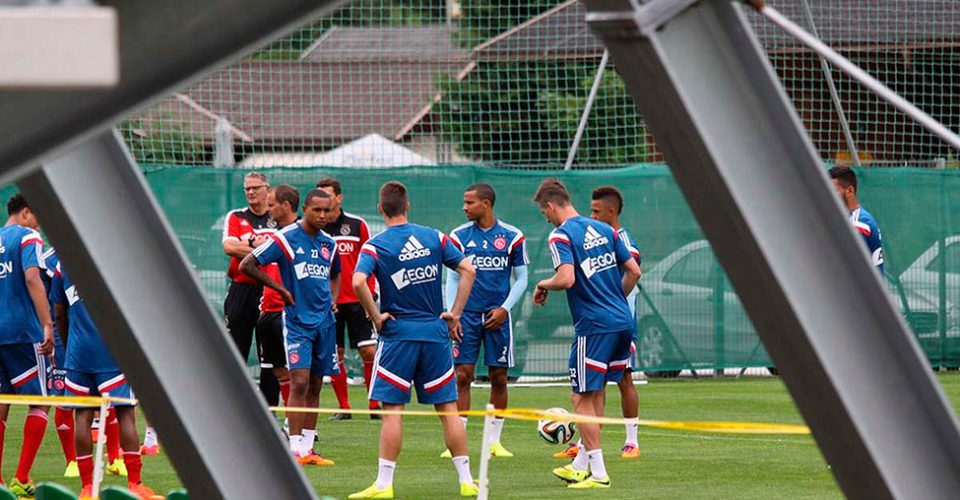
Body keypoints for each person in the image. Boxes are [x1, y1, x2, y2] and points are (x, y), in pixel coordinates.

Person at [349, 181, 479, 499]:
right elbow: (469, 270)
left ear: (381, 209)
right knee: (448, 409)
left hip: (399, 336)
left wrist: (376, 316)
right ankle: (466, 480)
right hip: (435, 333)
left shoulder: (375, 245)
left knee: (393, 411)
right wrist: (456, 313)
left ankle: (384, 485)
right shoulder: (434, 236)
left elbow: (357, 281)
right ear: (408, 206)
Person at [532, 179, 641, 489]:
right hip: (622, 322)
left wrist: (542, 285)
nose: (547, 219)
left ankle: (600, 474)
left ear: (551, 206)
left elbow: (566, 278)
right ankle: (580, 464)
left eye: (545, 213)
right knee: (594, 394)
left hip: (594, 327)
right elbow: (634, 271)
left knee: (580, 397)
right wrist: (614, 300)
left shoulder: (561, 235)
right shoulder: (607, 230)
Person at [241, 189, 340, 467]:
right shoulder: (285, 239)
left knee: (317, 384)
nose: (322, 216)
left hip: (325, 322)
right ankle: (294, 448)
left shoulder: (329, 244)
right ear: (304, 209)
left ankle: (309, 449)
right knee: (299, 381)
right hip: (297, 322)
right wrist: (279, 289)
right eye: (316, 210)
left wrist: (333, 299)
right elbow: (249, 264)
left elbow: (336, 274)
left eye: (327, 211)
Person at [50, 261, 162, 500]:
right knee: (125, 412)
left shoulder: (64, 262)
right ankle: (135, 485)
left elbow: (59, 311)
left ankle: (87, 488)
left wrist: (71, 343)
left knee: (82, 415)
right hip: (111, 349)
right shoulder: (111, 254)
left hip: (78, 352)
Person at [442, 183, 528, 458]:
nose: (464, 207)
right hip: (466, 316)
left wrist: (504, 309)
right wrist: (453, 313)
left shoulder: (512, 236)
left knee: (499, 377)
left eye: (469, 203)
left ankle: (494, 442)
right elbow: (453, 277)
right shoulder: (457, 236)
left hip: (497, 316)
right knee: (462, 375)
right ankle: (459, 441)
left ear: (486, 204)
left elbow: (522, 278)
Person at [0, 194, 55, 498]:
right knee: (40, 402)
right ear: (25, 212)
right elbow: (33, 279)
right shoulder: (27, 237)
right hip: (22, 332)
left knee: (1, 403)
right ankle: (21, 478)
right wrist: (47, 324)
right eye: (39, 217)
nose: (41, 226)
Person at [316, 178, 381, 420]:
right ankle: (344, 408)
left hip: (357, 300)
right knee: (335, 355)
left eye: (328, 195)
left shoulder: (357, 225)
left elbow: (372, 262)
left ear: (339, 197)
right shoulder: (315, 229)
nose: (324, 200)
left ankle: (374, 406)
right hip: (329, 302)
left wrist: (371, 296)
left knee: (368, 352)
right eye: (319, 195)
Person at [586, 186, 643, 460]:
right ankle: (589, 443)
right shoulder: (599, 239)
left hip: (620, 322)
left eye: (596, 211)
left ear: (611, 212)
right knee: (593, 382)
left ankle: (632, 442)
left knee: (624, 378)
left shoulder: (624, 242)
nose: (591, 216)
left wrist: (610, 300)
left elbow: (632, 275)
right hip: (601, 322)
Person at [221, 172, 280, 405]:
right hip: (242, 289)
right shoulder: (236, 217)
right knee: (235, 349)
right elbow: (229, 247)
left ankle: (269, 407)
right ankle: (231, 403)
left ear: (267, 189)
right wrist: (261, 247)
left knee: (271, 352)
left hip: (271, 291)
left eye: (256, 187)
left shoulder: (277, 217)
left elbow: (285, 249)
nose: (251, 192)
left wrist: (248, 247)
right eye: (247, 189)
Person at [256, 185, 301, 410]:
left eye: (272, 205)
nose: (268, 209)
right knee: (278, 369)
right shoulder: (274, 237)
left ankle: (301, 426)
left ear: (286, 206)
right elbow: (249, 264)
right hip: (269, 311)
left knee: (300, 371)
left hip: (291, 313)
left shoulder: (303, 236)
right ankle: (289, 419)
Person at [40, 248, 79, 477]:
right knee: (63, 396)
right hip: (64, 335)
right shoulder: (49, 260)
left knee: (107, 395)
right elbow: (55, 308)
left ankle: (115, 458)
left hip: (89, 334)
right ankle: (72, 461)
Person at [829, 166, 883, 274]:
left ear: (849, 191)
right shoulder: (855, 218)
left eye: (833, 191)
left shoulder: (858, 223)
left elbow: (850, 270)